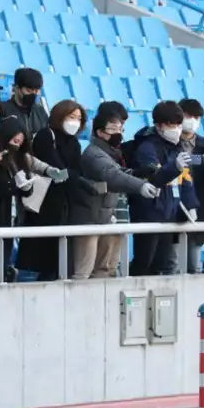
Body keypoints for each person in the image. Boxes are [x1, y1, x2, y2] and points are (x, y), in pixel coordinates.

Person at [72, 102, 159, 280]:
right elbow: (112, 175)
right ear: (100, 132)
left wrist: (138, 173)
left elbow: (120, 173)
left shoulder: (112, 154)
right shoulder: (94, 154)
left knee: (106, 270)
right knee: (83, 272)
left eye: (120, 129)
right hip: (90, 220)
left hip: (108, 218)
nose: (118, 133)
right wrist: (140, 186)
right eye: (112, 129)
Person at [15, 100, 97, 281]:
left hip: (64, 203)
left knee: (56, 258)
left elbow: (75, 170)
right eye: (71, 117)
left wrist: (70, 175)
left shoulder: (74, 143)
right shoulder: (46, 135)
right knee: (39, 254)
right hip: (44, 201)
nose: (75, 122)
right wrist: (69, 175)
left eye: (79, 118)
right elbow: (56, 168)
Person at [123, 101, 198, 277]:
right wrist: (174, 167)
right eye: (172, 125)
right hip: (148, 212)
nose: (177, 129)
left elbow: (186, 179)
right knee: (144, 261)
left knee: (163, 263)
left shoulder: (177, 147)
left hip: (169, 212)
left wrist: (191, 205)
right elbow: (153, 178)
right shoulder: (147, 148)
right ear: (159, 126)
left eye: (179, 125)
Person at [0, 117, 34, 282]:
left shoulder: (17, 159)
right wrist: (13, 185)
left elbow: (24, 188)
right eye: (14, 141)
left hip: (11, 218)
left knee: (4, 260)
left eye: (20, 143)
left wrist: (26, 187)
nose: (16, 146)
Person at [175, 99, 204, 274]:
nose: (192, 120)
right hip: (175, 202)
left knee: (194, 260)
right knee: (173, 260)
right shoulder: (170, 142)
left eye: (196, 117)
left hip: (200, 203)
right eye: (188, 116)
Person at [0, 68, 48, 141]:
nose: (33, 94)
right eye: (29, 91)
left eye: (36, 90)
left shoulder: (40, 110)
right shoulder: (3, 110)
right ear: (16, 87)